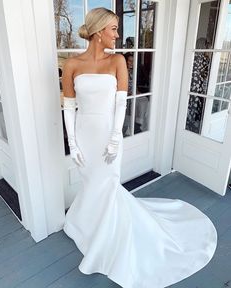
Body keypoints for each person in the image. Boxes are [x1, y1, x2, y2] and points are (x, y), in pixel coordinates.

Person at [62, 7, 217, 288]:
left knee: (108, 185)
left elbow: (121, 103)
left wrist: (115, 137)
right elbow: (69, 107)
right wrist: (72, 143)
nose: (118, 35)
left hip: (108, 137)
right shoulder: (72, 65)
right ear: (98, 32)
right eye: (113, 29)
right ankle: (88, 226)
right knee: (91, 185)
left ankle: (103, 245)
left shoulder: (118, 61)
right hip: (85, 136)